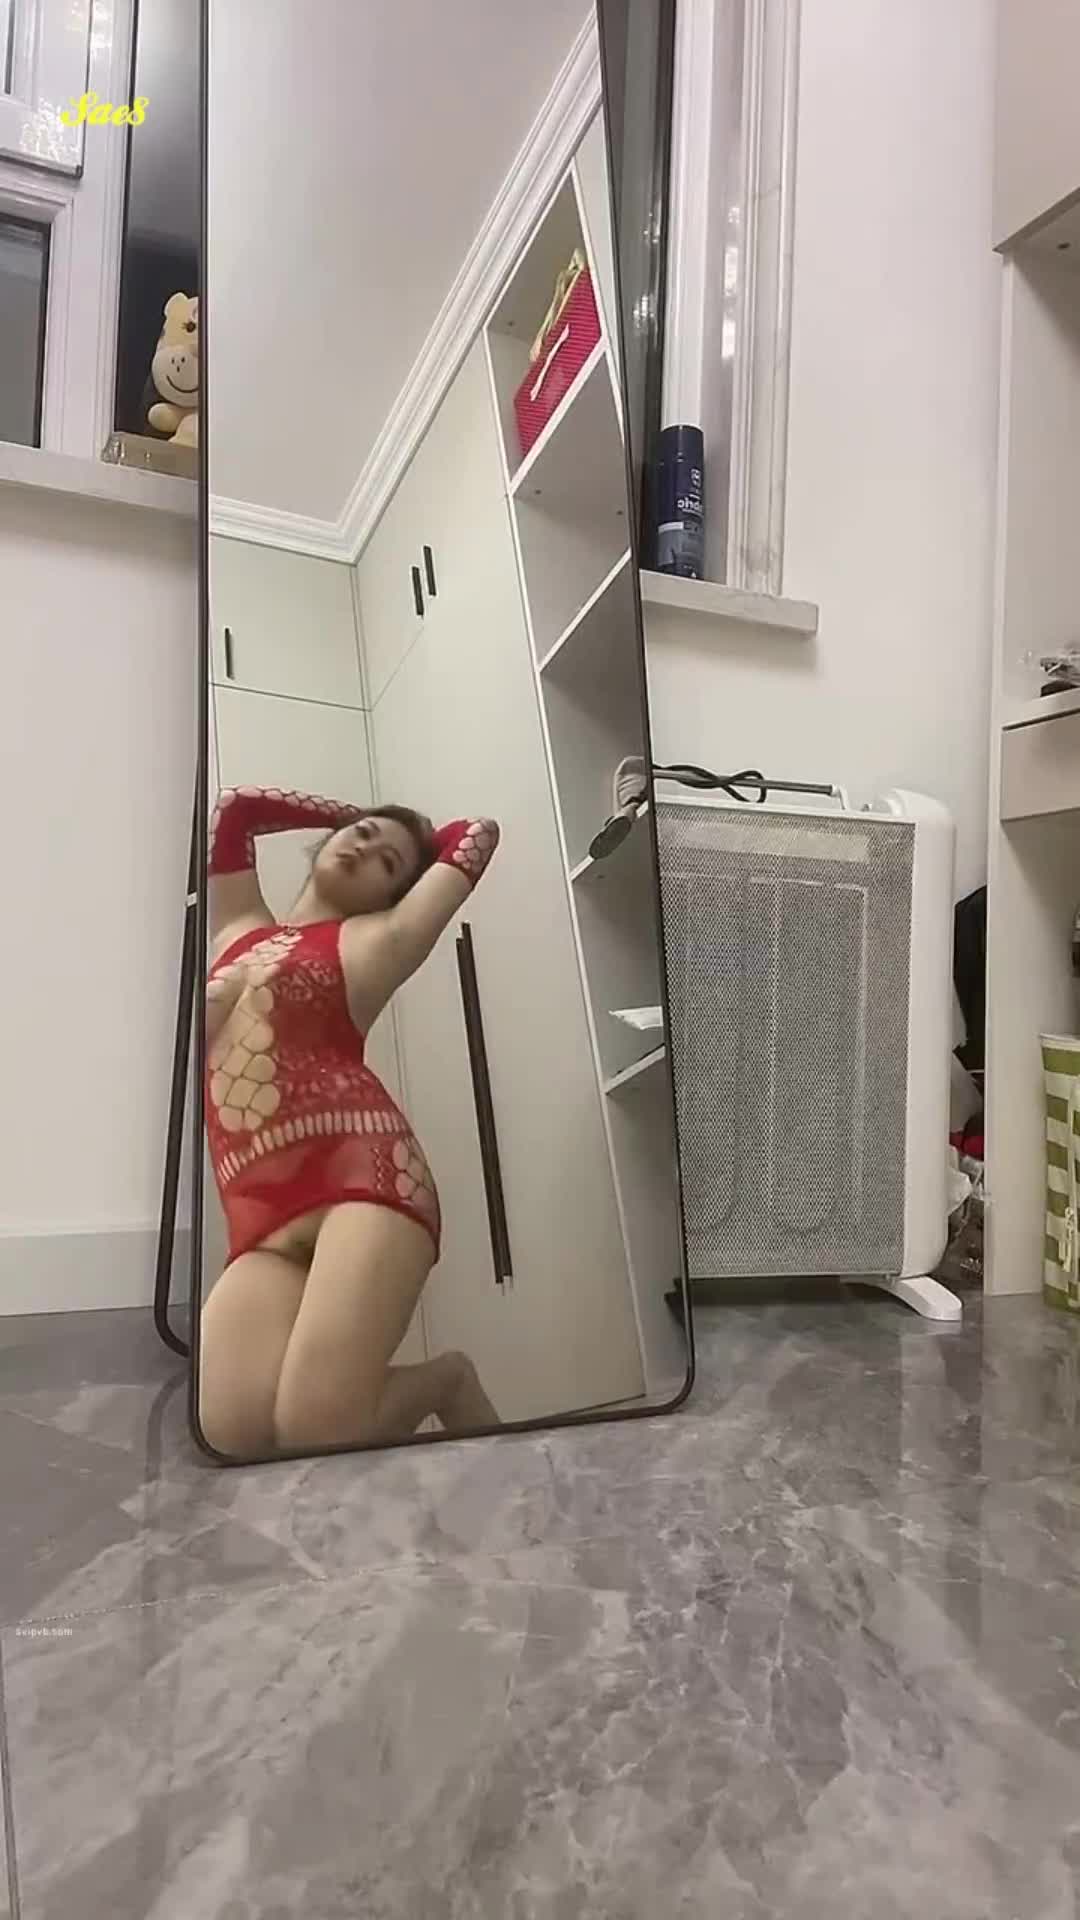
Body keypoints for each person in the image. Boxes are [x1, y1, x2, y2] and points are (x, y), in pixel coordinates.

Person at [199, 786, 501, 1459]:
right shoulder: (237, 928)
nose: (366, 849)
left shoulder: (374, 943)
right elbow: (234, 810)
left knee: (316, 1429)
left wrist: (395, 841)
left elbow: (476, 832)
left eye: (388, 864)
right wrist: (354, 819)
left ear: (394, 896)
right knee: (231, 1433)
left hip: (365, 1179)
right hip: (257, 1207)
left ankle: (447, 1381)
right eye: (361, 835)